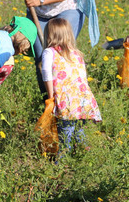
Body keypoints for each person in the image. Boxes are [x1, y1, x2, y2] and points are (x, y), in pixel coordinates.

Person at [40, 19, 102, 153]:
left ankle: (61, 166)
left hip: (67, 102)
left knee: (65, 139)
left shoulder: (49, 52)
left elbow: (46, 72)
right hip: (84, 101)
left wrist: (50, 97)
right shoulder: (76, 53)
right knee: (79, 133)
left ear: (49, 34)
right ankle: (85, 157)